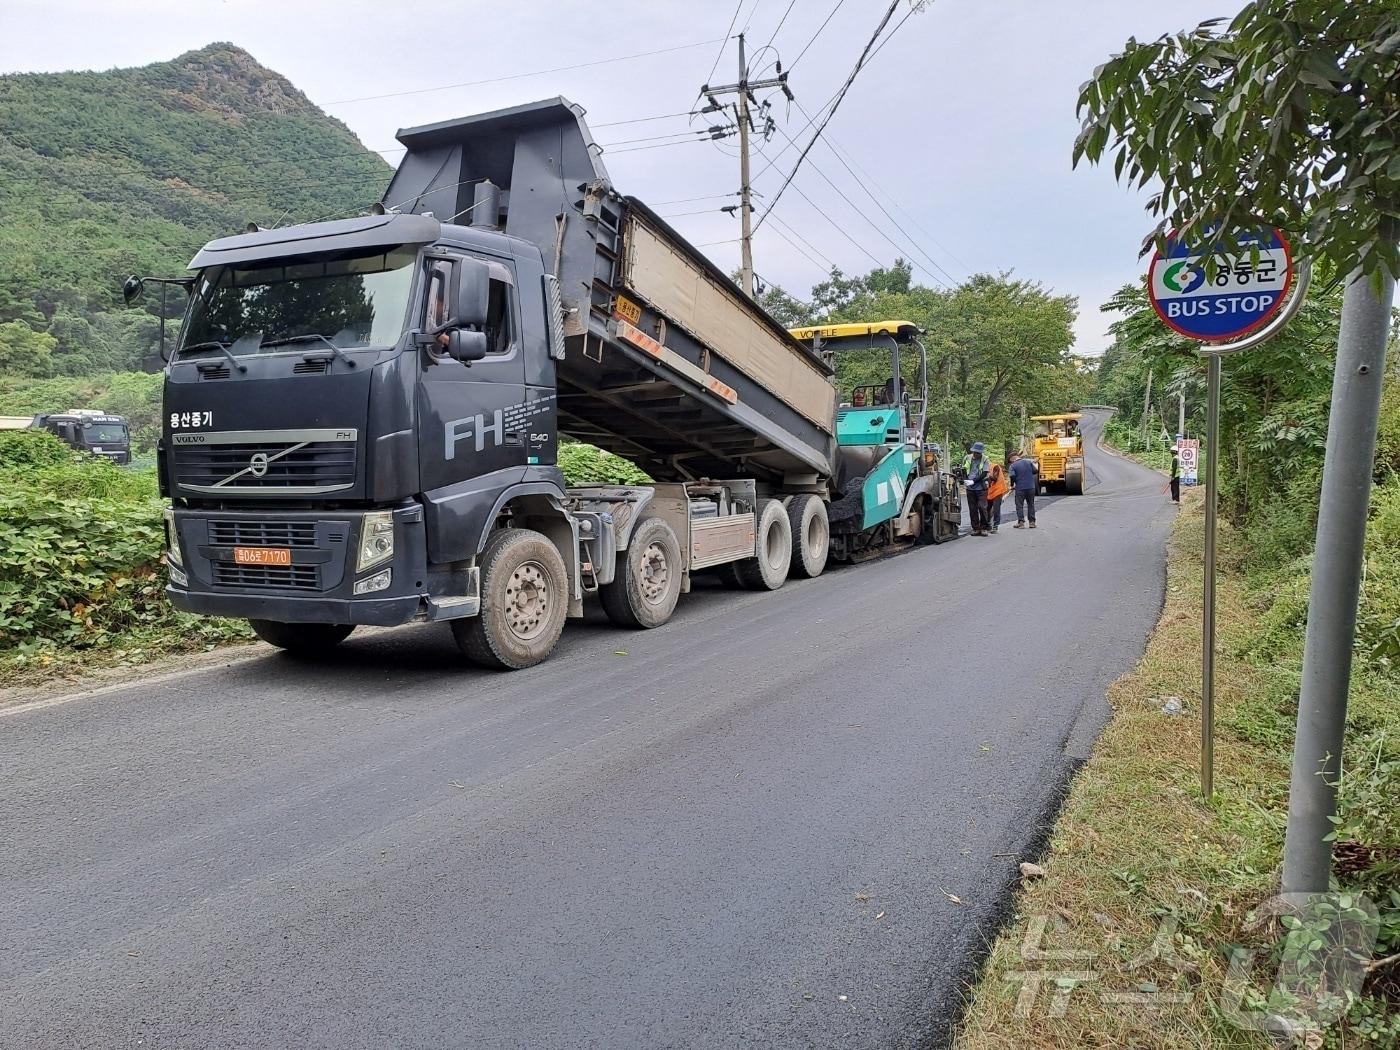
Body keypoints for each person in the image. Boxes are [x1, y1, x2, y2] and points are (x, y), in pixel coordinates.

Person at [962, 442, 993, 536]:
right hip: (970, 488)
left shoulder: (985, 459)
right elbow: (963, 470)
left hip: (981, 487)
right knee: (972, 508)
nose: (976, 454)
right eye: (975, 452)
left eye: (978, 453)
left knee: (982, 507)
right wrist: (965, 480)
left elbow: (984, 473)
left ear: (981, 453)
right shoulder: (967, 458)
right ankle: (976, 528)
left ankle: (984, 527)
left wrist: (973, 481)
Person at [1008, 451, 1039, 528]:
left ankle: (1021, 523)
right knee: (1031, 504)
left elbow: (1012, 476)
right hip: (1031, 487)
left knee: (1019, 505)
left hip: (1020, 488)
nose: (1010, 463)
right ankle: (1032, 523)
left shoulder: (1012, 466)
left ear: (1012, 459)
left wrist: (1012, 485)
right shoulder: (1028, 462)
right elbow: (1035, 471)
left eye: (1010, 461)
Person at [985, 458, 1009, 533]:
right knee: (987, 508)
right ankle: (988, 525)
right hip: (990, 491)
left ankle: (995, 526)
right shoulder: (985, 468)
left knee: (996, 509)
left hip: (998, 490)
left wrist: (987, 477)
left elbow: (995, 478)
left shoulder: (995, 467)